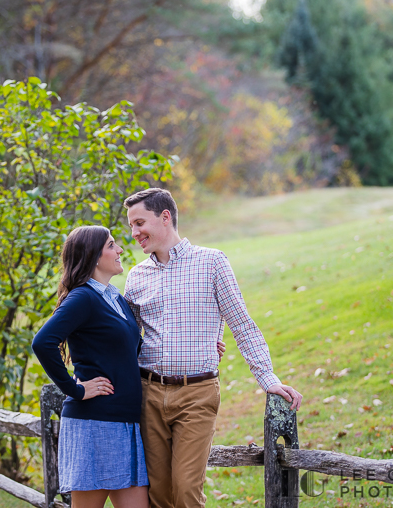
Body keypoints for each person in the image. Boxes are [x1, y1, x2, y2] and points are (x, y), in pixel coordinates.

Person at [123, 188, 303, 508]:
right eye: (131, 226)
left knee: (187, 488)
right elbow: (128, 339)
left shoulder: (211, 262)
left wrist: (268, 379)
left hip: (197, 393)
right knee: (159, 491)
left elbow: (242, 324)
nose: (134, 233)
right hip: (147, 392)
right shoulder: (136, 276)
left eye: (139, 223)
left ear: (165, 217)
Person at [31, 226, 149, 508]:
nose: (120, 249)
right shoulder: (83, 297)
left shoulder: (115, 298)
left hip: (127, 421)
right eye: (112, 245)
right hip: (94, 423)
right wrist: (75, 389)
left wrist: (202, 348)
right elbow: (42, 342)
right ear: (94, 256)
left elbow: (131, 352)